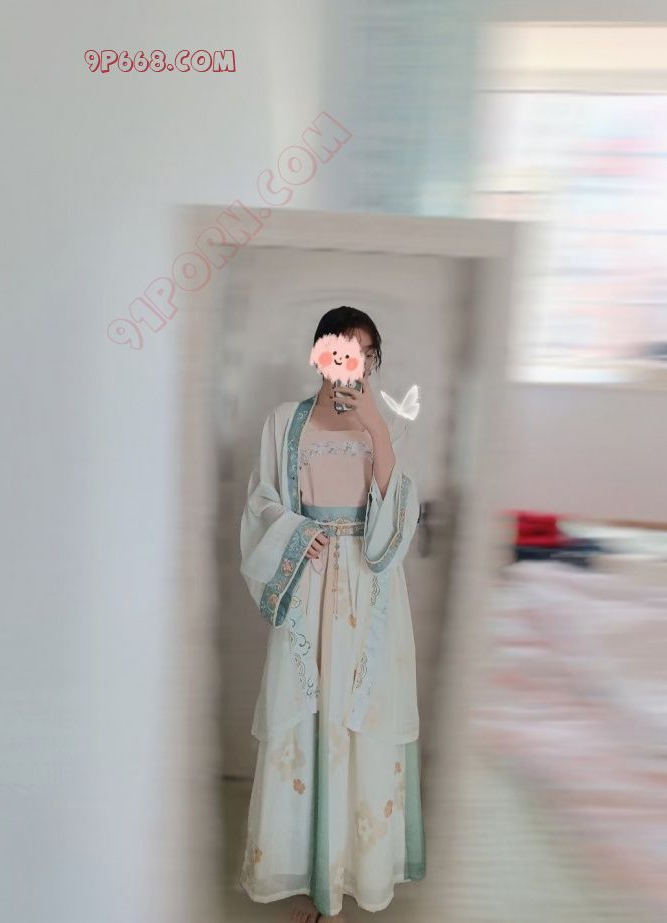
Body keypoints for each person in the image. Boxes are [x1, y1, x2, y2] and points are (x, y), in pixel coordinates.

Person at [238, 306, 426, 922]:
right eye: (343, 351)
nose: (354, 365)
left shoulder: (386, 425)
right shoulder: (283, 422)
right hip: (308, 586)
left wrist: (376, 430)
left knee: (359, 722)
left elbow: (395, 527)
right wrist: (296, 533)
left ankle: (353, 875)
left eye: (366, 355)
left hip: (371, 595)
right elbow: (261, 502)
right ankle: (309, 880)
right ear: (320, 353)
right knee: (307, 720)